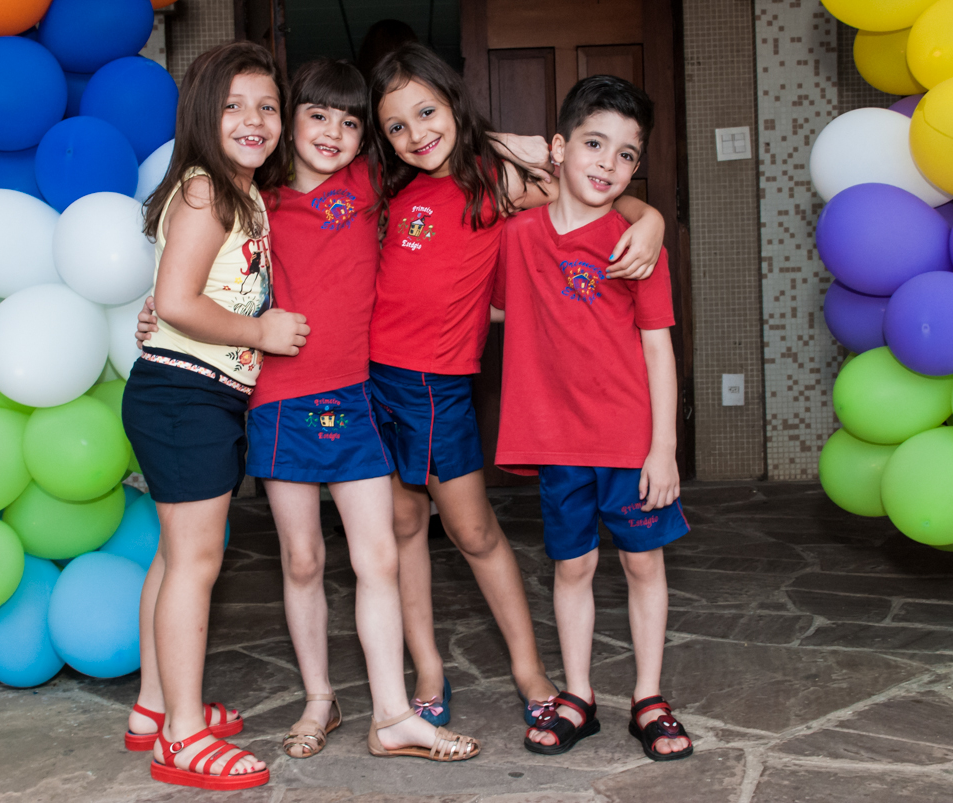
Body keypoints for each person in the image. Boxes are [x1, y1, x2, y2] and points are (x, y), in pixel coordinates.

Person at [135, 58, 482, 764]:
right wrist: (160, 310)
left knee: (377, 554)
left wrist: (641, 210)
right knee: (300, 557)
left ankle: (392, 713)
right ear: (290, 123)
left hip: (357, 397)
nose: (334, 132)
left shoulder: (372, 182)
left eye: (352, 122)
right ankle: (319, 696)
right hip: (277, 401)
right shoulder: (251, 193)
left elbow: (503, 153)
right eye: (317, 115)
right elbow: (201, 281)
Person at [366, 43, 667, 734]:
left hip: (439, 385)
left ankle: (532, 670)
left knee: (472, 529)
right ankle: (429, 670)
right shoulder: (390, 192)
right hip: (374, 381)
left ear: (452, 103)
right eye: (396, 125)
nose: (415, 134)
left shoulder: (490, 181)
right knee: (404, 525)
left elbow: (590, 194)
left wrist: (647, 219)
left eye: (427, 112)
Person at [120, 41, 309, 790]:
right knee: (196, 562)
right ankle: (183, 737)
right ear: (203, 115)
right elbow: (175, 300)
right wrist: (261, 332)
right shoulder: (205, 190)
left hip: (192, 392)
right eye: (234, 105)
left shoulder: (240, 192)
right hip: (184, 396)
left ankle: (153, 707)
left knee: (175, 555)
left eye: (267, 105)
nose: (254, 119)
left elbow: (180, 291)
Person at [490, 74, 693, 761]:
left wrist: (663, 447)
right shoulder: (516, 237)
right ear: (560, 147)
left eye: (627, 154)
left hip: (630, 440)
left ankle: (649, 696)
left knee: (643, 565)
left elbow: (659, 349)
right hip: (557, 443)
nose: (608, 164)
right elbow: (449, 157)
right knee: (572, 568)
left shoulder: (639, 243)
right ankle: (577, 693)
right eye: (594, 144)